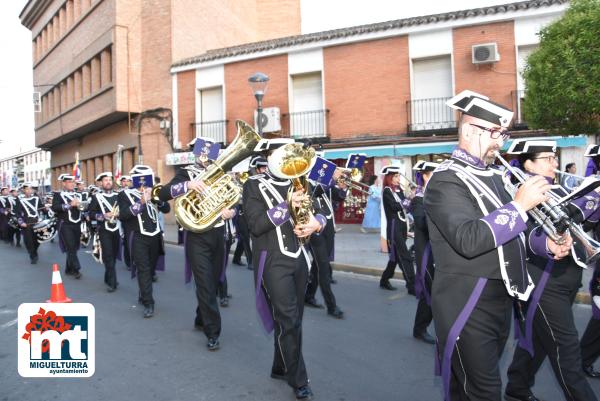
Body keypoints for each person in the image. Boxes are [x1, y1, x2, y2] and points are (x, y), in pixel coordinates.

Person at [424, 90, 558, 401]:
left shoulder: (496, 178)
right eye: (495, 133)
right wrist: (520, 206)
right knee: (484, 392)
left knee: (467, 390)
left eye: (503, 134)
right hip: (467, 302)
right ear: (469, 130)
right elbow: (469, 239)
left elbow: (513, 236)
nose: (501, 142)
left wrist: (546, 246)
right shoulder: (446, 180)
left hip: (501, 297)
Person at [505, 139, 600, 401]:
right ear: (528, 164)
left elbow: (586, 222)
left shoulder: (556, 189)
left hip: (566, 277)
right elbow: (542, 226)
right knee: (566, 349)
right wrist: (588, 200)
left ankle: (517, 387)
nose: (555, 162)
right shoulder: (521, 191)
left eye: (554, 157)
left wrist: (594, 201)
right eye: (547, 158)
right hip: (544, 280)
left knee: (537, 338)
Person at [243, 137, 327, 400]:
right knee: (289, 320)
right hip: (273, 261)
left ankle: (280, 366)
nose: (289, 159)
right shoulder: (254, 185)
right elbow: (255, 225)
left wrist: (317, 223)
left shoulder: (302, 181)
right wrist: (287, 206)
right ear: (269, 158)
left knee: (293, 319)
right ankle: (299, 379)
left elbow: (324, 210)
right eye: (282, 154)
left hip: (301, 257)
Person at [158, 137, 234, 350]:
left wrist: (233, 211)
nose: (205, 158)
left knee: (214, 279)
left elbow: (237, 199)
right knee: (204, 283)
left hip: (218, 233)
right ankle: (213, 332)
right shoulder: (186, 172)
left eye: (209, 154)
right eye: (202, 154)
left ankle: (202, 317)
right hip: (196, 235)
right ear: (196, 153)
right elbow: (163, 194)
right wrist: (187, 185)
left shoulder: (223, 172)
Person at [119, 165, 170, 318]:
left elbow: (166, 209)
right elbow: (123, 215)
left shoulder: (155, 192)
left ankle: (143, 292)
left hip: (155, 236)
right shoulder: (125, 195)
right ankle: (149, 302)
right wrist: (141, 202)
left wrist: (157, 200)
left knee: (151, 269)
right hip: (138, 237)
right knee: (143, 269)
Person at [304, 165, 345, 318]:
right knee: (323, 266)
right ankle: (331, 305)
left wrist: (343, 186)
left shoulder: (325, 187)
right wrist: (331, 179)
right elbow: (313, 193)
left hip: (328, 228)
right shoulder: (306, 183)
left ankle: (308, 295)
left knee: (318, 264)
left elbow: (339, 197)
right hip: (315, 229)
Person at [410, 161, 437, 345]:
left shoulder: (436, 196)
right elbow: (421, 223)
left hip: (439, 250)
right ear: (426, 176)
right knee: (430, 290)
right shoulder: (419, 198)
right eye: (433, 174)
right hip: (426, 251)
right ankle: (420, 328)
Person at [379, 165, 414, 292]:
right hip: (394, 229)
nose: (398, 178)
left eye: (398, 176)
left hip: (402, 227)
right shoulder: (387, 191)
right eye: (395, 176)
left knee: (395, 258)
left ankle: (384, 280)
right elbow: (395, 207)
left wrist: (412, 197)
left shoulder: (399, 190)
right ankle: (412, 285)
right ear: (389, 178)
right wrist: (409, 198)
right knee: (405, 257)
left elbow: (407, 208)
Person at [232, 155, 267, 270]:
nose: (265, 170)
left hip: (253, 213)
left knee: (243, 238)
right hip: (242, 213)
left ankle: (236, 258)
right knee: (246, 237)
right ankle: (250, 261)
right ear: (256, 168)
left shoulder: (261, 181)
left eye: (265, 167)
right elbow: (238, 198)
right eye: (262, 168)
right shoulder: (246, 180)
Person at [89, 172, 121, 292]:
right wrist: (102, 215)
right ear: (101, 183)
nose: (108, 182)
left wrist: (119, 214)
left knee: (113, 255)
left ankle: (108, 277)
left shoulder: (118, 196)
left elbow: (124, 210)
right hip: (104, 230)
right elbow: (90, 213)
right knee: (108, 255)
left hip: (116, 229)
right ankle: (113, 283)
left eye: (110, 180)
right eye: (105, 180)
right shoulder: (96, 197)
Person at [52, 174, 83, 279]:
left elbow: (84, 208)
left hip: (77, 224)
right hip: (65, 225)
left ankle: (68, 269)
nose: (72, 184)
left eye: (73, 182)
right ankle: (76, 269)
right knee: (70, 246)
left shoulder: (78, 194)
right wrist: (70, 205)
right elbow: (55, 207)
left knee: (73, 247)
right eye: (69, 182)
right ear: (64, 183)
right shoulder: (58, 195)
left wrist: (82, 205)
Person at [15, 183, 44, 264]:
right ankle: (32, 255)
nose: (29, 190)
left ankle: (34, 251)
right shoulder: (19, 199)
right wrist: (21, 222)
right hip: (27, 223)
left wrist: (47, 209)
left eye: (30, 189)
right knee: (29, 241)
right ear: (24, 190)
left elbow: (41, 208)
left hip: (37, 222)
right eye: (27, 189)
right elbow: (17, 213)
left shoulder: (36, 198)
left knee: (38, 240)